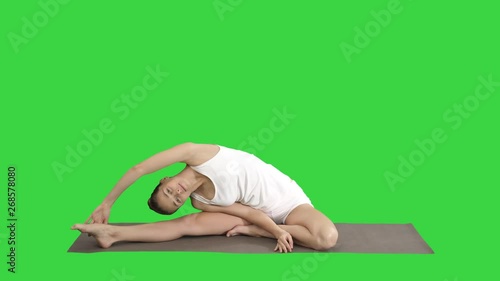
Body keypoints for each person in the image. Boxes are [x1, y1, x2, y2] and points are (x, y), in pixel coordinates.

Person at [71, 142, 338, 253]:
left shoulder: (194, 152)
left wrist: (108, 202)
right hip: (255, 215)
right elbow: (248, 212)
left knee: (327, 238)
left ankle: (255, 233)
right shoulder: (200, 201)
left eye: (168, 191)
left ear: (166, 179)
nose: (176, 194)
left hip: (287, 202)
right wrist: (276, 231)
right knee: (186, 226)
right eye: (176, 202)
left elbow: (138, 169)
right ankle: (112, 234)